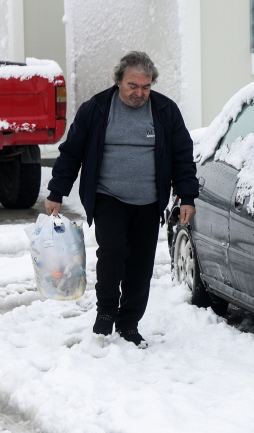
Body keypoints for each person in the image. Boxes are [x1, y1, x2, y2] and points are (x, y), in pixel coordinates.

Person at [45, 51, 198, 348]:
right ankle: (106, 313)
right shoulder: (98, 108)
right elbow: (72, 151)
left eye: (146, 86)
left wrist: (187, 196)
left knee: (140, 265)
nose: (140, 93)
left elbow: (182, 155)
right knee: (113, 252)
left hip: (149, 201)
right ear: (118, 81)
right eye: (133, 86)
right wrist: (56, 191)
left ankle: (129, 323)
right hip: (108, 196)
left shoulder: (165, 111)